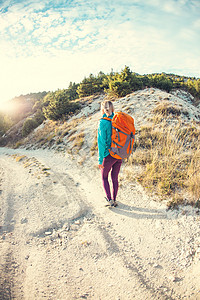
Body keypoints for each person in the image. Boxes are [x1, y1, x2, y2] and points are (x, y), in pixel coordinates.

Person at [97, 100, 122, 206]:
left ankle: (110, 199)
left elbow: (101, 142)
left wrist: (100, 159)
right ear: (112, 108)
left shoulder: (103, 122)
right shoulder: (118, 119)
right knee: (115, 178)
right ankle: (115, 199)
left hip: (108, 155)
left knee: (104, 177)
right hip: (119, 154)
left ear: (103, 109)